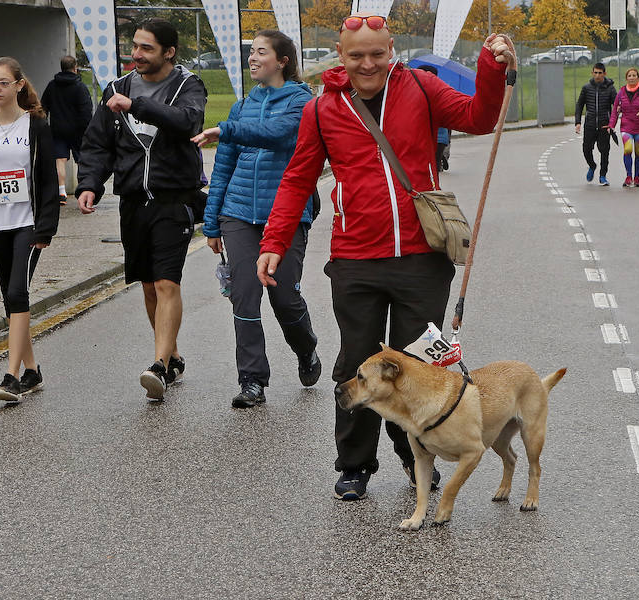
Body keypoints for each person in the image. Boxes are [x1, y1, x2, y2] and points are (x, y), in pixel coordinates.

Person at [255, 12, 512, 501]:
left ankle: (419, 455)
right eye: (357, 56)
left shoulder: (421, 87)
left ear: (391, 48)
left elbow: (479, 117)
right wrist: (273, 243)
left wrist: (491, 67)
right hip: (355, 260)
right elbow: (297, 180)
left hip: (421, 257)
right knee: (357, 360)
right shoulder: (321, 110)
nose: (368, 64)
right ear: (340, 53)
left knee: (417, 366)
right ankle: (354, 465)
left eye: (378, 54)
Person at [75, 18, 207, 401]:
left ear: (169, 52)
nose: (136, 54)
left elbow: (186, 122)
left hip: (173, 197)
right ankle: (172, 355)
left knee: (167, 282)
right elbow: (97, 143)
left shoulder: (188, 85)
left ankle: (159, 366)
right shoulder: (115, 89)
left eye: (147, 48)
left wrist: (138, 106)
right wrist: (89, 184)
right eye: (134, 46)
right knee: (148, 284)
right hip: (133, 200)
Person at [190, 30, 320, 408]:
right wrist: (211, 222)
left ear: (282, 61)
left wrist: (227, 130)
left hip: (287, 215)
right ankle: (252, 381)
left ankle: (306, 347)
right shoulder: (242, 105)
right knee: (244, 296)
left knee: (284, 298)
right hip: (239, 214)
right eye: (251, 51)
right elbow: (224, 166)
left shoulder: (302, 102)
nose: (252, 57)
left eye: (261, 52)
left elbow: (279, 135)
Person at [0, 57, 60, 402]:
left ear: (19, 85)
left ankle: (11, 376)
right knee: (10, 298)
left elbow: (48, 179)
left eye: (3, 82)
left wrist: (45, 228)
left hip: (27, 223)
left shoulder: (35, 125)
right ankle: (33, 371)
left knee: (17, 293)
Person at [40, 55, 92, 205]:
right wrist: (86, 129)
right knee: (82, 161)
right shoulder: (80, 87)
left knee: (60, 160)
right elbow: (86, 111)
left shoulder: (52, 86)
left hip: (57, 130)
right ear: (75, 68)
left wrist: (45, 125)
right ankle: (84, 191)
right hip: (78, 131)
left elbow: (43, 107)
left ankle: (61, 192)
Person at [607, 68, 639, 187]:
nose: (632, 77)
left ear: (638, 78)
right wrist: (611, 125)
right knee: (628, 149)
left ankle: (637, 177)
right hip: (626, 126)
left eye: (634, 75)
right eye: (629, 76)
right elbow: (615, 111)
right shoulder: (621, 93)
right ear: (626, 78)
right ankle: (628, 176)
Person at [575, 62, 616, 186]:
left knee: (604, 151)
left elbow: (616, 106)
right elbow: (579, 105)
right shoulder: (586, 88)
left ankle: (603, 176)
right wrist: (578, 122)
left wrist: (612, 123)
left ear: (604, 73)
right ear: (592, 73)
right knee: (586, 149)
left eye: (600, 73)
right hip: (590, 125)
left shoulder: (610, 88)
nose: (597, 75)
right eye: (595, 73)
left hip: (604, 125)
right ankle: (592, 165)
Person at [416, 65, 453, 172]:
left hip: (427, 137)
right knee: (434, 164)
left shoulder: (420, 93)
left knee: (426, 165)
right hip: (441, 138)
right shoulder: (441, 92)